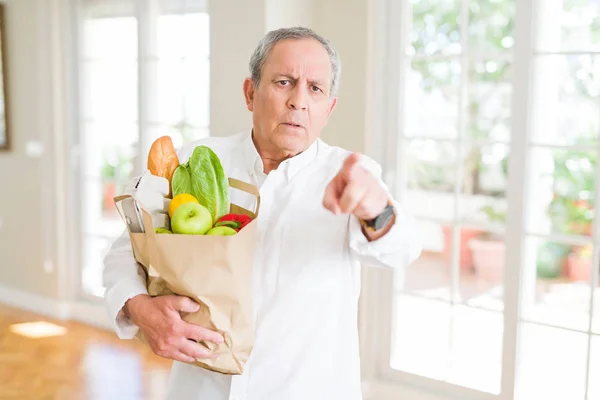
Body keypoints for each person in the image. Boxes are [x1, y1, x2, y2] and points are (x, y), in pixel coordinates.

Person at [103, 26, 422, 400]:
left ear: (328, 108)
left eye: (315, 89)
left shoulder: (352, 176)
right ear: (250, 93)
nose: (299, 101)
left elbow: (403, 249)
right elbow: (126, 251)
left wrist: (376, 210)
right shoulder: (198, 160)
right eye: (284, 82)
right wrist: (139, 308)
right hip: (201, 389)